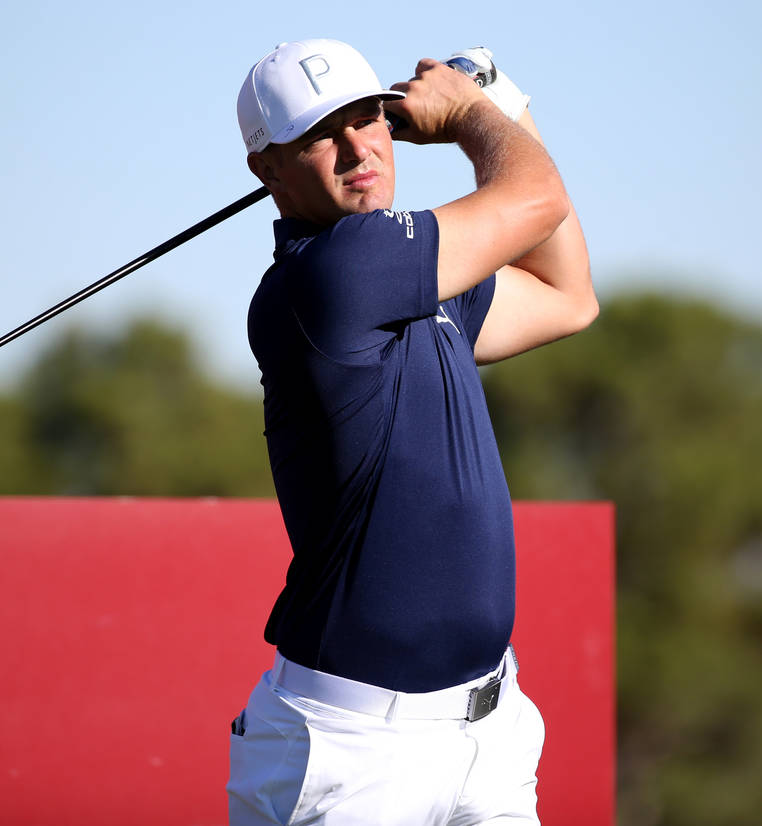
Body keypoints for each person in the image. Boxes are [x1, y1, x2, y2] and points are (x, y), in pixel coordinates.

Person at [227, 40, 596, 825]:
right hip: (355, 751)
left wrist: (503, 103)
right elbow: (536, 198)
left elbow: (569, 297)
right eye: (321, 135)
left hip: (487, 732)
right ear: (268, 170)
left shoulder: (416, 279)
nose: (358, 148)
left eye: (369, 119)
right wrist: (470, 115)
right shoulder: (336, 272)